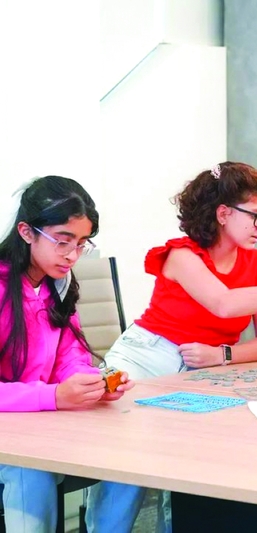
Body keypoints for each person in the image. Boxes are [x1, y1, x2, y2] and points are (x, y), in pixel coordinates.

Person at [87, 162, 257, 532]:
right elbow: (224, 304)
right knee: (126, 463)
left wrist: (223, 354)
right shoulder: (183, 255)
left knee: (191, 467)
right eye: (256, 215)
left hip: (203, 370)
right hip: (144, 358)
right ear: (224, 213)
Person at [0, 176, 134, 533]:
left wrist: (89, 383)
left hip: (39, 418)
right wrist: (54, 396)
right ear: (26, 232)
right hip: (14, 427)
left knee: (132, 448)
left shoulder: (57, 283)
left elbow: (70, 353)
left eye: (82, 243)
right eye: (62, 241)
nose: (72, 255)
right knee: (30, 467)